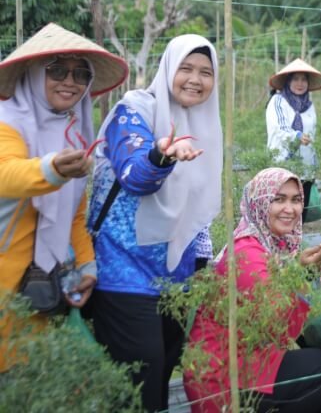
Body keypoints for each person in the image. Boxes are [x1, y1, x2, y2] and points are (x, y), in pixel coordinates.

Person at [87, 34, 222, 411]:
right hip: (124, 270)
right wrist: (161, 156)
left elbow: (198, 209)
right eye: (186, 68)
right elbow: (133, 175)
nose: (195, 79)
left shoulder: (204, 123)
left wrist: (201, 268)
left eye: (206, 72)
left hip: (175, 276)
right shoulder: (134, 110)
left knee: (159, 379)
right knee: (141, 383)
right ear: (167, 69)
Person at [0, 23, 127, 372]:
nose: (69, 81)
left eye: (80, 73)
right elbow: (6, 174)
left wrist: (86, 266)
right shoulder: (7, 124)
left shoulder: (72, 131)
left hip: (45, 285)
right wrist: (51, 169)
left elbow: (73, 212)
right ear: (34, 72)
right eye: (56, 70)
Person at [183, 168, 321, 412]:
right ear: (260, 203)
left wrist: (300, 270)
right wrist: (303, 275)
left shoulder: (271, 247)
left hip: (247, 361)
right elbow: (281, 328)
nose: (290, 208)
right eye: (279, 199)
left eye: (296, 200)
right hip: (222, 377)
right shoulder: (247, 254)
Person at [266, 59, 321, 221]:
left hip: (305, 167)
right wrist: (297, 136)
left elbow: (312, 134)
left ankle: (297, 245)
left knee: (299, 214)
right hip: (282, 163)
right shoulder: (278, 101)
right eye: (295, 79)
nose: (300, 83)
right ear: (288, 81)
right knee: (282, 212)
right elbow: (280, 128)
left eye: (303, 79)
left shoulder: (310, 106)